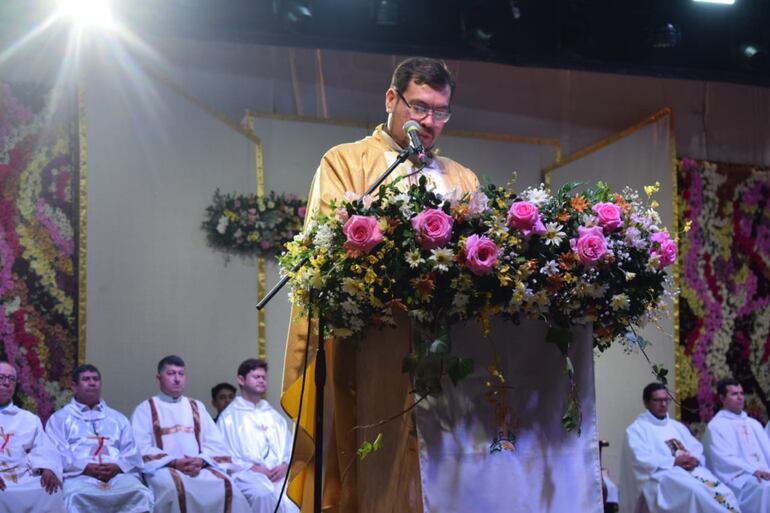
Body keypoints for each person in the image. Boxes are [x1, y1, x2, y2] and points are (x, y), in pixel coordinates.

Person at [281, 56, 479, 512]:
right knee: (369, 468)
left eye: (441, 112)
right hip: (371, 347)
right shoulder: (346, 162)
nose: (429, 123)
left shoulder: (460, 177)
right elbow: (329, 247)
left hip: (447, 353)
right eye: (419, 108)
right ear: (392, 100)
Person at [130, 355, 250, 513]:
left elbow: (215, 443)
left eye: (181, 373)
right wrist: (174, 462)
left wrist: (201, 460)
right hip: (163, 469)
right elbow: (140, 448)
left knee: (228, 487)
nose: (177, 379)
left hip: (200, 467)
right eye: (171, 373)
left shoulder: (196, 406)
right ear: (159, 378)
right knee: (171, 489)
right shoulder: (145, 409)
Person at [45, 363, 154, 513]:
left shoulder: (117, 418)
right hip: (79, 476)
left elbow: (131, 450)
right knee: (74, 496)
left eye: (95, 379)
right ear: (74, 386)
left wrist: (118, 466)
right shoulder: (60, 419)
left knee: (141, 494)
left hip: (117, 476)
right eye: (86, 379)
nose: (92, 383)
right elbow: (55, 452)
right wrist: (84, 467)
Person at [620, 382, 742, 513]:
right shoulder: (636, 430)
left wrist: (695, 458)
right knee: (694, 493)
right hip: (662, 477)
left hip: (691, 471)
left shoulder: (677, 426)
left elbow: (696, 447)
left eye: (666, 400)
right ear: (646, 402)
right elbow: (640, 460)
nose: (663, 404)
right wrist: (673, 462)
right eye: (658, 400)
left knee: (725, 493)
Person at [218, 359, 298, 513]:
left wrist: (285, 465)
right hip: (246, 475)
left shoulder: (274, 416)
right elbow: (223, 455)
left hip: (278, 475)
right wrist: (251, 468)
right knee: (262, 495)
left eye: (264, 377)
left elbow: (289, 447)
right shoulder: (229, 418)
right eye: (256, 377)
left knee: (292, 497)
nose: (262, 380)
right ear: (241, 380)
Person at [0, 360, 65, 513]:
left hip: (22, 475)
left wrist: (48, 468)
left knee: (50, 492)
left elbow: (42, 446)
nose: (6, 382)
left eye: (11, 379)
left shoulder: (28, 419)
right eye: (1, 377)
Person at [704, 378, 770, 513]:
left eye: (741, 393)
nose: (740, 398)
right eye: (734, 394)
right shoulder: (716, 426)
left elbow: (767, 451)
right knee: (764, 488)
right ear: (722, 398)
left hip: (762, 473)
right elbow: (722, 460)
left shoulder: (753, 423)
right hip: (737, 478)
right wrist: (753, 471)